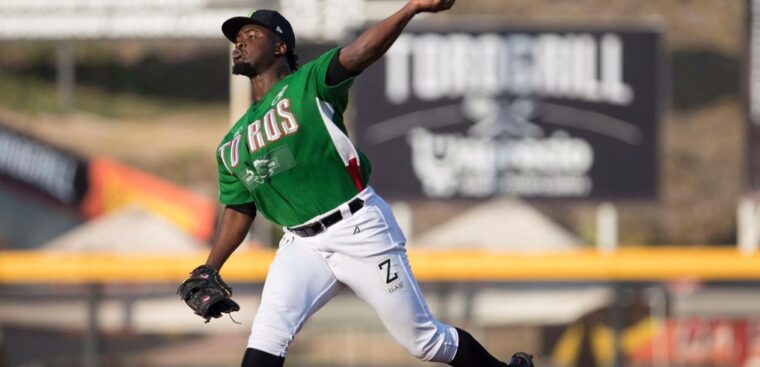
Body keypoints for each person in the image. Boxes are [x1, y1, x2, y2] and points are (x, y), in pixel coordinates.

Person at [189, 1, 535, 366]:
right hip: (300, 246)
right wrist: (211, 266)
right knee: (266, 338)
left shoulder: (309, 84)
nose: (239, 43)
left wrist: (412, 7)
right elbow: (240, 208)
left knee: (425, 341)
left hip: (357, 228)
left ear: (280, 47)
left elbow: (359, 53)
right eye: (236, 39)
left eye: (251, 35)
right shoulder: (231, 143)